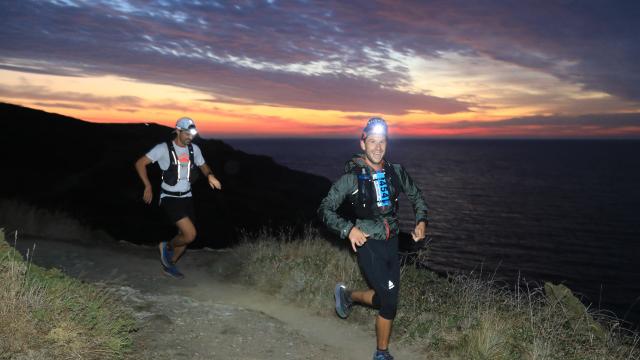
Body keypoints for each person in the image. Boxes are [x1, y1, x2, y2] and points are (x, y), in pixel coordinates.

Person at [318, 117, 429, 360]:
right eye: (372, 141)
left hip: (392, 243)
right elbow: (324, 209)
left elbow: (417, 196)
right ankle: (382, 353)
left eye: (382, 142)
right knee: (389, 302)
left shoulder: (395, 172)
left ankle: (347, 295)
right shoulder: (351, 179)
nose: (377, 147)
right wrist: (349, 230)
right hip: (367, 243)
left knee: (386, 299)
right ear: (362, 143)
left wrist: (421, 221)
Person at [135, 117, 222, 279]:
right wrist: (147, 185)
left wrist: (210, 176)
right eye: (187, 133)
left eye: (193, 133)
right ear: (178, 131)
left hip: (187, 197)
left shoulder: (194, 149)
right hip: (170, 198)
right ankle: (166, 247)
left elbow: (203, 165)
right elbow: (140, 163)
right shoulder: (163, 149)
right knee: (190, 235)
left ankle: (170, 264)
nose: (191, 136)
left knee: (185, 237)